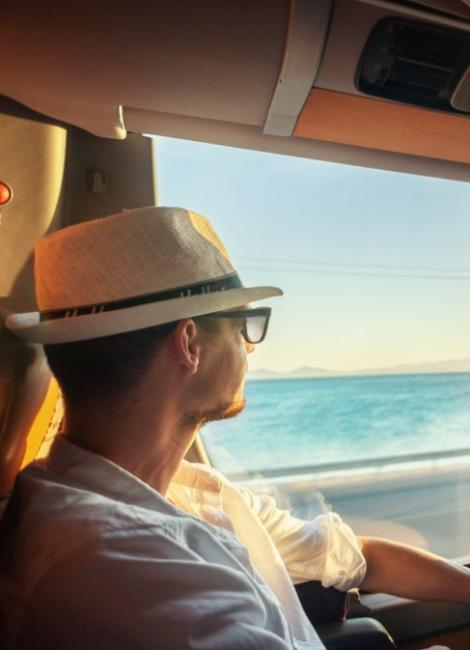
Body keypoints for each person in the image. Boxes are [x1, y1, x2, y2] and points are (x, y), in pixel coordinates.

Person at [0, 206, 463, 649]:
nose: (250, 349)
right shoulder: (123, 567)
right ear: (189, 343)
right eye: (243, 326)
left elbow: (355, 556)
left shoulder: (179, 492)